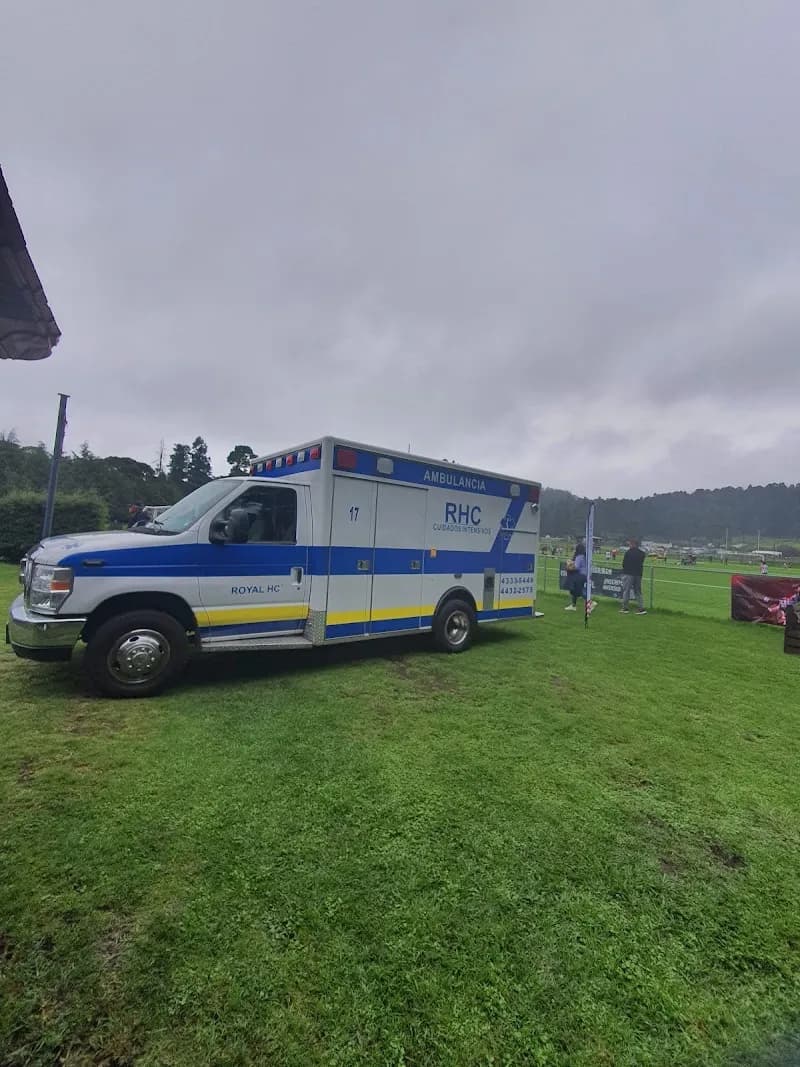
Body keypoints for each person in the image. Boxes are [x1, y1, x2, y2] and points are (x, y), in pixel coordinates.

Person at [620, 538, 647, 615]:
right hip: (638, 574)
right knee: (638, 591)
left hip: (628, 573)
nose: (629, 545)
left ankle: (625, 608)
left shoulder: (628, 553)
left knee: (626, 591)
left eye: (630, 544)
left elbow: (624, 564)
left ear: (633, 544)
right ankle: (641, 608)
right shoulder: (642, 553)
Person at [564, 541, 588, 611]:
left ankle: (590, 601)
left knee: (579, 590)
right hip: (584, 575)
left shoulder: (579, 557)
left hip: (579, 575)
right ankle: (573, 605)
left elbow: (576, 567)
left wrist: (570, 563)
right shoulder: (584, 556)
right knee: (574, 589)